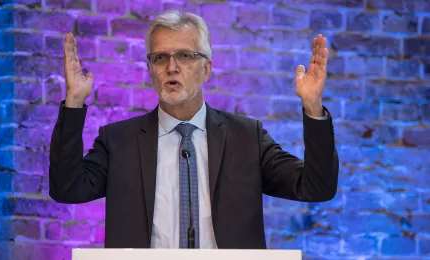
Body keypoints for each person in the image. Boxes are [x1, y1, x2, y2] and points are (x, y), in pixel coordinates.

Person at [49, 10, 339, 249]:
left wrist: (313, 106)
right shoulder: (118, 141)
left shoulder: (246, 138)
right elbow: (67, 189)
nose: (171, 67)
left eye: (185, 56)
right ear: (150, 69)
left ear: (207, 69)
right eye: (160, 58)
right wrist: (74, 103)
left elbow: (316, 187)